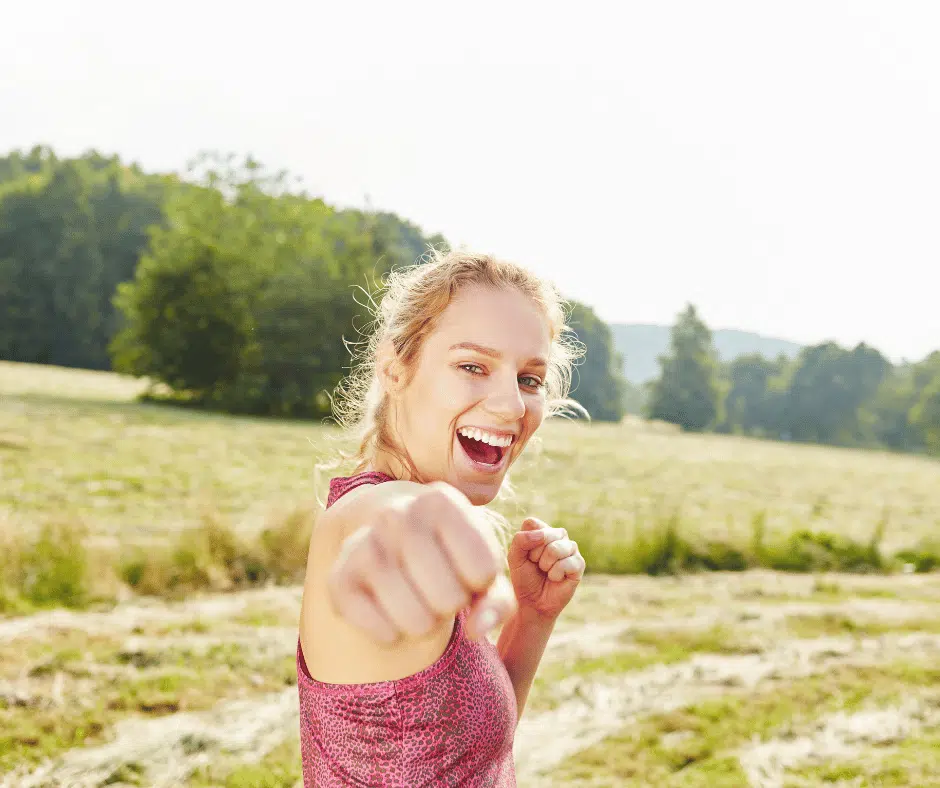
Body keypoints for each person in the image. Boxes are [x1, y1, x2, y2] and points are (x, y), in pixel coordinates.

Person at [297, 249, 588, 786]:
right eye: (472, 366)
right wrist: (409, 528)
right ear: (395, 368)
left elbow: (463, 758)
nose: (511, 406)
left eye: (529, 379)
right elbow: (381, 523)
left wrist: (533, 620)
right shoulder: (366, 514)